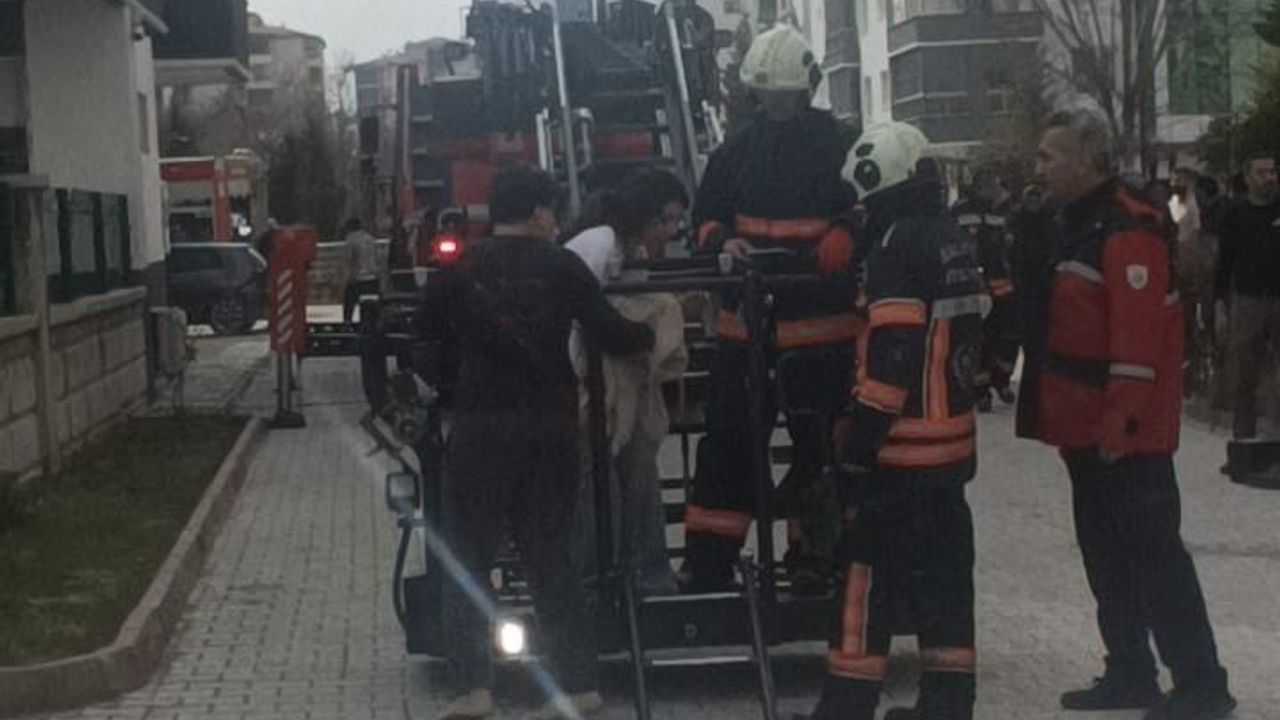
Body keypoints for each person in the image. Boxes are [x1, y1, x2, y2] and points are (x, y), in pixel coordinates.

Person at [1022, 109, 1235, 720]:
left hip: (1124, 432)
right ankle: (1130, 670)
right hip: (1085, 425)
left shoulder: (1125, 228)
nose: (1038, 168)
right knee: (1106, 554)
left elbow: (1138, 343)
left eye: (1048, 156)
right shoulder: (1077, 222)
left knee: (1156, 557)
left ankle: (1201, 684)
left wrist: (1122, 424)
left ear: (1085, 161)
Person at [424, 166, 655, 720]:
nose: (555, 220)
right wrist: (654, 329)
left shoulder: (460, 270)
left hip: (481, 428)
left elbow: (425, 340)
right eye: (550, 209)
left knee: (468, 556)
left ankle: (474, 687)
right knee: (551, 557)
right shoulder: (563, 266)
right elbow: (610, 332)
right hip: (551, 429)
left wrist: (452, 388)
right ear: (535, 213)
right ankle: (578, 685)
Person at [804, 121, 983, 720]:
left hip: (901, 451)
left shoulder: (893, 247)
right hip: (952, 450)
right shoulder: (952, 237)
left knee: (865, 580)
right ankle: (948, 705)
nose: (860, 208)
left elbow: (894, 354)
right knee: (946, 580)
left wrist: (859, 447)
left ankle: (846, 707)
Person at [683, 23, 859, 594]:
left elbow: (870, 205)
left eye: (782, 95)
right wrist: (719, 241)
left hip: (824, 335)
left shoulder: (842, 147)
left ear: (806, 88)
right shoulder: (735, 153)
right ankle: (708, 566)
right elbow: (704, 219)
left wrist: (848, 230)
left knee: (822, 452)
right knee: (729, 449)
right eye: (765, 94)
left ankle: (816, 557)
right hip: (747, 334)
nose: (773, 105)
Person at [563, 169, 690, 596]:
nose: (671, 231)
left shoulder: (628, 251)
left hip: (616, 378)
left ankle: (643, 576)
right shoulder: (600, 244)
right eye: (664, 220)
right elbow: (580, 310)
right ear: (642, 216)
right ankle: (599, 580)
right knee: (596, 480)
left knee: (637, 472)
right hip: (584, 380)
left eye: (677, 221)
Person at [1214, 154, 1280, 445]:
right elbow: (1224, 261)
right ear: (1248, 177)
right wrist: (1220, 303)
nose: (1269, 178)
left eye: (1272, 172)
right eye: (1262, 173)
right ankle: (1244, 436)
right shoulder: (1235, 215)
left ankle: (1275, 432)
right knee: (1244, 370)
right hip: (1247, 299)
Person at [952, 167, 1018, 411]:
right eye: (988, 184)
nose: (993, 189)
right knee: (977, 338)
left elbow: (1010, 246)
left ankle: (1002, 379)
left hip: (1003, 285)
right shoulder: (960, 210)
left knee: (1009, 337)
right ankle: (981, 391)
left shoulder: (1002, 211)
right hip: (972, 286)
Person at [341, 217, 383, 324]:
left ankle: (347, 323)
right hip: (373, 278)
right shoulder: (370, 238)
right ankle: (373, 322)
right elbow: (378, 258)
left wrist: (346, 279)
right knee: (373, 304)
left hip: (358, 279)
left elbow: (349, 260)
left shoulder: (351, 240)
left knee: (349, 302)